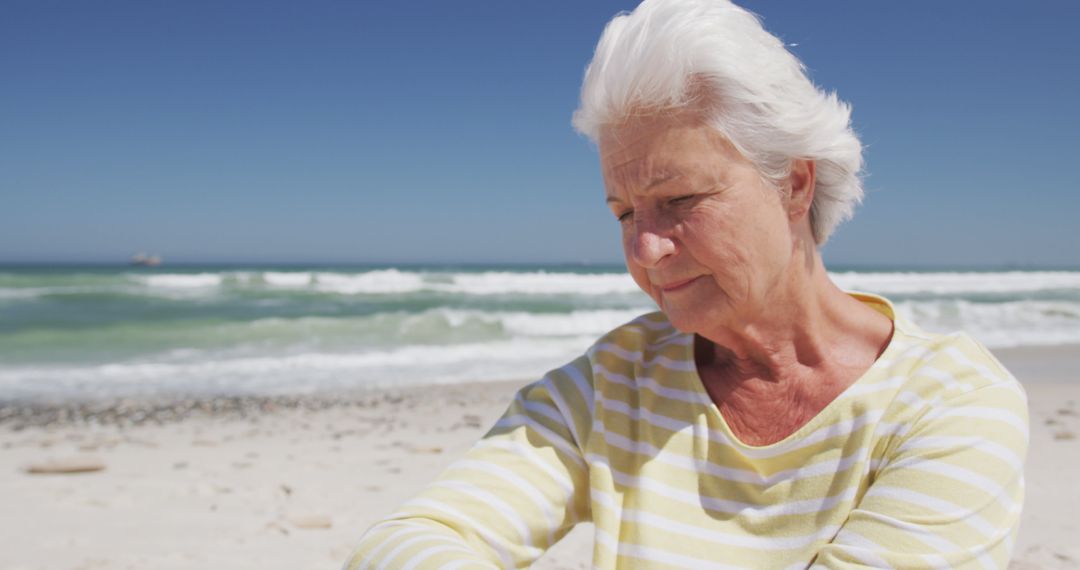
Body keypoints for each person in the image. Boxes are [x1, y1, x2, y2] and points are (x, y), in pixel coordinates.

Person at [345, 0, 1028, 567]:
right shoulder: (615, 383)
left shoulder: (953, 407)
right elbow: (406, 542)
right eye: (623, 212)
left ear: (792, 182)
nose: (645, 248)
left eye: (679, 200)